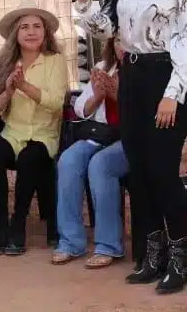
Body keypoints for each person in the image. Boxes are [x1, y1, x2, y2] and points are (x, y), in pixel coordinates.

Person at [70, 0, 187, 294]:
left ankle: (180, 259)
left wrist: (172, 96)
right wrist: (85, 2)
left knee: (162, 170)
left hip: (168, 80)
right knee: (139, 173)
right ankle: (152, 254)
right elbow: (106, 30)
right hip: (134, 79)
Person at [0, 2, 68, 255]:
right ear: (15, 35)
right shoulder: (7, 63)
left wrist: (25, 87)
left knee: (30, 158)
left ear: (45, 33)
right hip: (12, 133)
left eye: (37, 26)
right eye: (24, 27)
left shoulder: (55, 61)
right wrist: (7, 92)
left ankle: (18, 223)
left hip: (43, 135)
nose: (31, 32)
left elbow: (57, 104)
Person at [52, 36, 130, 268]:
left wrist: (118, 96)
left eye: (127, 41)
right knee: (68, 160)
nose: (122, 47)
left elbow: (146, 117)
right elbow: (80, 108)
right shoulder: (103, 68)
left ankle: (108, 245)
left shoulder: (145, 73)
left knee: (100, 165)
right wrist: (98, 95)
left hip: (130, 140)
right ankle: (70, 241)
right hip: (101, 135)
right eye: (118, 41)